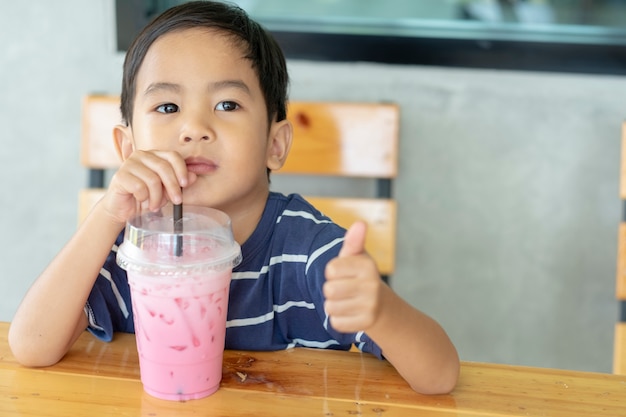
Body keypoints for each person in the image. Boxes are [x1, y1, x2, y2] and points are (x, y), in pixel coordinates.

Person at [9, 1, 459, 394]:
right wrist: (107, 215)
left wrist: (381, 311)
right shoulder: (133, 247)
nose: (194, 128)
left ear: (275, 144)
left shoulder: (311, 256)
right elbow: (31, 346)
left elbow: (439, 376)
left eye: (227, 105)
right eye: (168, 107)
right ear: (128, 148)